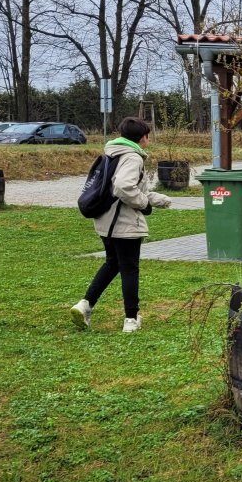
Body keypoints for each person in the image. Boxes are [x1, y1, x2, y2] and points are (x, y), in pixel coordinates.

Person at [70, 116, 172, 333]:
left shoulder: (113, 153)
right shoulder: (133, 157)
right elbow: (123, 187)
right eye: (148, 136)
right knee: (129, 269)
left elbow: (126, 188)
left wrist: (156, 199)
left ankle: (85, 305)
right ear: (142, 137)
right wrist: (144, 204)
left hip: (105, 221)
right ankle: (131, 320)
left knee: (112, 263)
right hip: (124, 224)